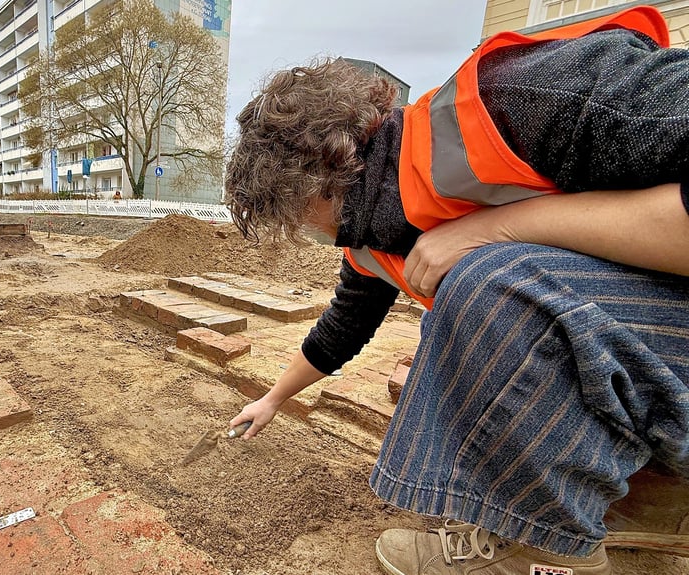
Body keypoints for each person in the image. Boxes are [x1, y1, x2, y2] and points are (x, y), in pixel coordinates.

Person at [224, 5, 689, 574]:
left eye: (293, 212)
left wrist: (494, 230)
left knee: (484, 288)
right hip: (662, 367)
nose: (302, 228)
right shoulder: (378, 231)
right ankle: (652, 503)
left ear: (322, 174)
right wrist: (272, 399)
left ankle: (538, 553)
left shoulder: (520, 97)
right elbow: (340, 330)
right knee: (465, 325)